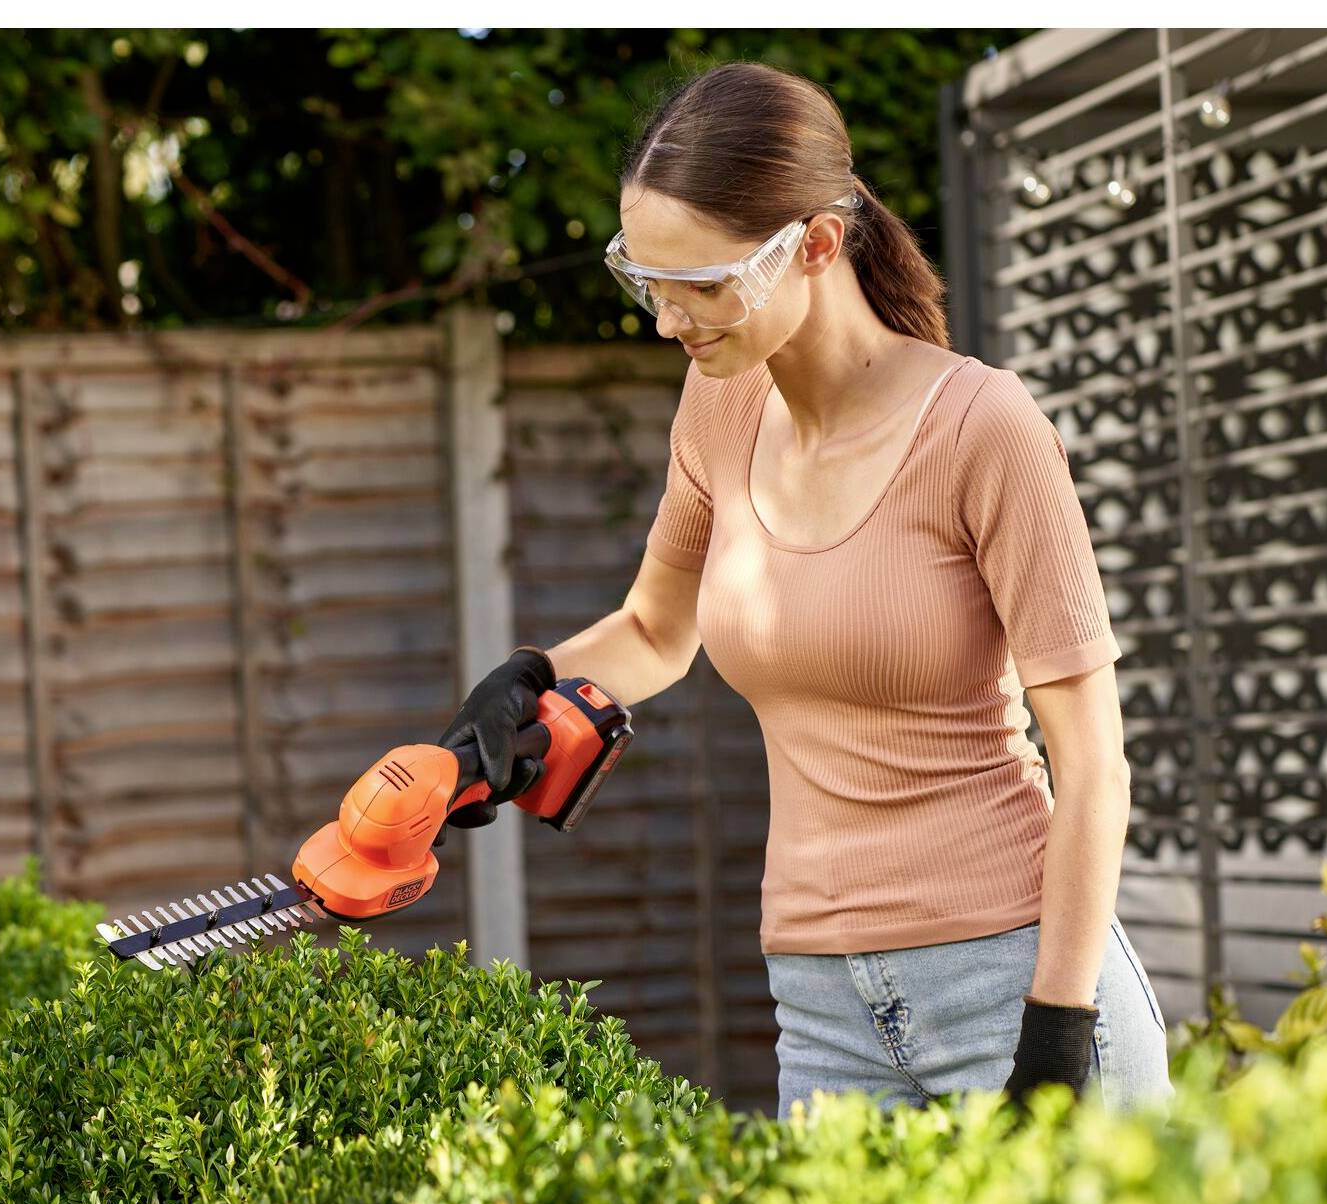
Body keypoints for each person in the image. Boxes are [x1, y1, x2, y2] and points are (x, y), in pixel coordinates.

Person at [437, 61, 1172, 1121]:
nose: (667, 319)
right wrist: (521, 686)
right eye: (646, 279)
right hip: (824, 1003)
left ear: (815, 246)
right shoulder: (721, 409)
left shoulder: (985, 430)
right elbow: (656, 629)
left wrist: (1056, 1031)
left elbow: (1095, 760)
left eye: (701, 283)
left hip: (1017, 982)